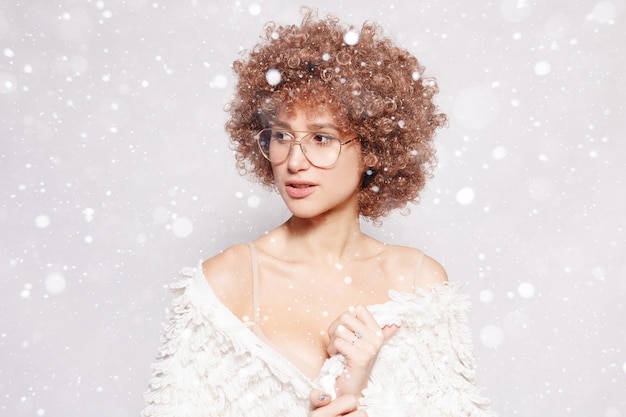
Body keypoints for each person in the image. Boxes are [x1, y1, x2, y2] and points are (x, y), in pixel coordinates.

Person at [142, 9, 495, 417]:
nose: (294, 161)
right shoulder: (228, 282)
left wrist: (357, 392)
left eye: (321, 138)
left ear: (373, 150)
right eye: (281, 136)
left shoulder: (416, 284)